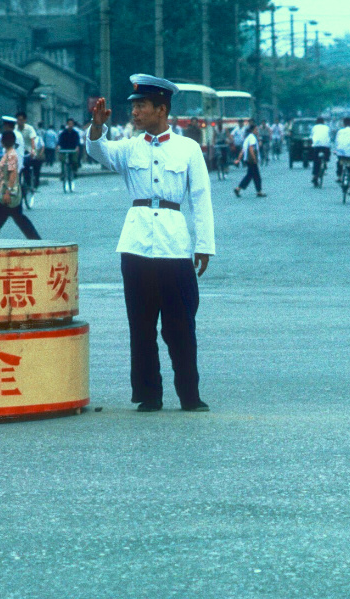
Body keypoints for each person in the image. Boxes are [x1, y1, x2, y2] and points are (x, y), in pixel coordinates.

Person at [85, 75, 214, 413]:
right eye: (133, 106)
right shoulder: (129, 147)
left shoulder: (187, 149)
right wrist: (96, 128)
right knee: (140, 325)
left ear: (162, 109)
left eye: (141, 106)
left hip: (174, 245)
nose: (135, 112)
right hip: (136, 244)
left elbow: (200, 198)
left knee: (181, 325)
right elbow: (98, 151)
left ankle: (190, 394)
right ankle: (149, 394)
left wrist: (203, 245)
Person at [233, 124, 265, 197]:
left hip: (247, 160)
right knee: (256, 176)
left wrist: (238, 159)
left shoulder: (247, 138)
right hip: (251, 160)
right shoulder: (252, 138)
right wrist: (254, 158)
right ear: (253, 130)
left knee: (250, 175)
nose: (257, 131)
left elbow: (242, 150)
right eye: (256, 130)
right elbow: (251, 148)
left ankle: (238, 189)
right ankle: (258, 191)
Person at [15, 111, 42, 188]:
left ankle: (29, 183)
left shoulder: (30, 129)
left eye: (21, 120)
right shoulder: (15, 129)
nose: (19, 122)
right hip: (18, 150)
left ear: (24, 120)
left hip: (28, 151)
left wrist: (33, 151)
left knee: (26, 166)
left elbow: (32, 141)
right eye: (18, 120)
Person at [334, 117, 350, 196]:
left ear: (343, 123)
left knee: (339, 162)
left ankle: (339, 176)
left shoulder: (340, 131)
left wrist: (336, 150)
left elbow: (337, 141)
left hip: (341, 152)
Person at [310, 116, 331, 184]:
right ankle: (325, 162)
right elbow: (329, 136)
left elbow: (311, 136)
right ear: (323, 122)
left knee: (316, 161)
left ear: (316, 122)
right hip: (325, 146)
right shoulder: (327, 128)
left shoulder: (314, 127)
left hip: (316, 146)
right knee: (327, 154)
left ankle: (315, 176)